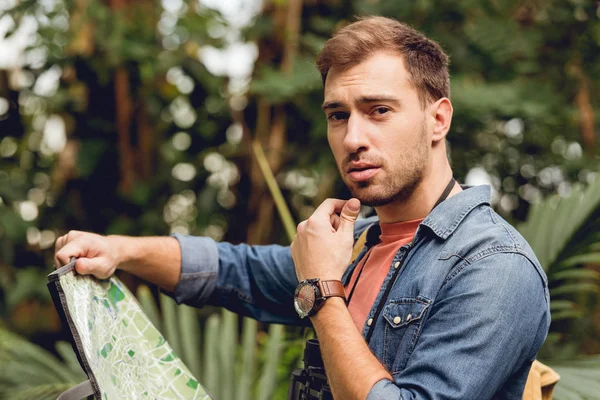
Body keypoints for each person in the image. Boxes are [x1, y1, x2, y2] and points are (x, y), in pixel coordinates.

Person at [54, 16, 550, 400]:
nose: (353, 138)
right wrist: (120, 249)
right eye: (338, 115)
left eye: (379, 110)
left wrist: (321, 292)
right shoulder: (358, 242)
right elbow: (234, 271)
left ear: (437, 118)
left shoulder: (495, 267)